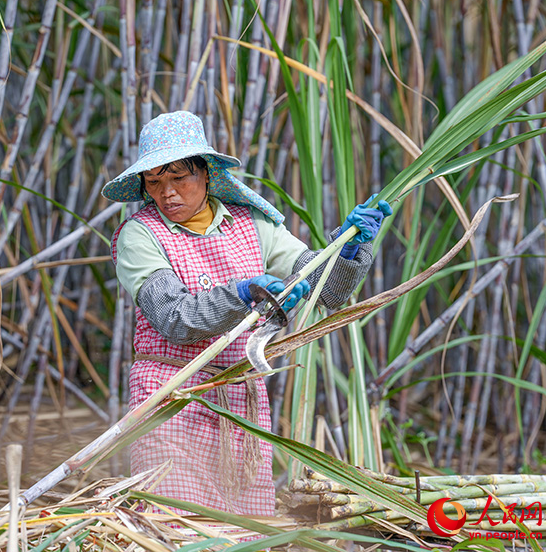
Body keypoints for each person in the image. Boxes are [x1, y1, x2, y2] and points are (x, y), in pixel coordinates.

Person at [103, 111, 391, 516]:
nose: (167, 192)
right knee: (176, 526)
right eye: (154, 182)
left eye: (178, 178)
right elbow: (173, 318)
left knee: (243, 530)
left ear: (206, 174)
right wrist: (242, 293)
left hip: (240, 398)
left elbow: (328, 290)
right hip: (172, 397)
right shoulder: (140, 234)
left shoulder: (252, 224)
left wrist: (348, 249)